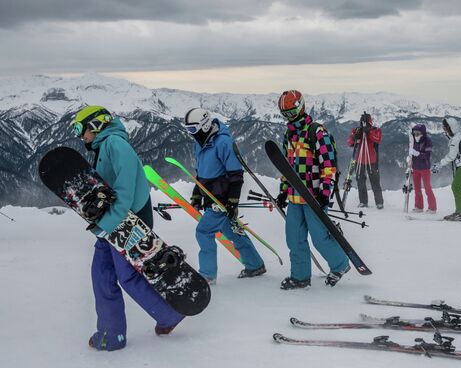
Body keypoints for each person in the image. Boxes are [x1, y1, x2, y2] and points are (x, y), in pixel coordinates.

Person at [71, 105, 184, 351]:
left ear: (96, 124)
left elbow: (125, 191)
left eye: (81, 129)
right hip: (113, 221)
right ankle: (111, 334)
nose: (81, 136)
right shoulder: (104, 146)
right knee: (101, 274)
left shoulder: (116, 145)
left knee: (127, 275)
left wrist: (108, 224)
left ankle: (169, 315)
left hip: (129, 220)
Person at [275, 90, 350, 289]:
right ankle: (300, 277)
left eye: (292, 112)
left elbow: (329, 167)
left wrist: (325, 194)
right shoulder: (288, 135)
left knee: (319, 237)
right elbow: (286, 167)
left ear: (301, 107)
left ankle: (340, 264)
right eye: (285, 114)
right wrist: (283, 191)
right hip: (294, 197)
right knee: (294, 238)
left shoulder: (317, 132)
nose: (289, 117)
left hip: (314, 196)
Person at [183, 108, 266, 283]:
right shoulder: (199, 144)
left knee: (204, 232)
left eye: (192, 129)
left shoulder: (223, 143)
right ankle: (255, 265)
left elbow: (236, 175)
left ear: (204, 126)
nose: (191, 134)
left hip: (221, 198)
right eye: (188, 129)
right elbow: (201, 174)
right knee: (232, 231)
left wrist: (232, 202)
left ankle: (207, 275)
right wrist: (197, 195)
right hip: (210, 196)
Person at [432, 118, 461, 221]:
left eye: (445, 127)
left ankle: (460, 213)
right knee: (459, 186)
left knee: (456, 187)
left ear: (451, 128)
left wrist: (439, 164)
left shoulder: (455, 139)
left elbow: (451, 156)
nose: (444, 129)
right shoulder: (458, 136)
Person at [346, 112, 384, 209]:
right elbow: (349, 142)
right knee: (360, 181)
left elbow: (377, 139)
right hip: (360, 160)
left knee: (375, 181)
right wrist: (355, 137)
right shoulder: (357, 130)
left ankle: (379, 202)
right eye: (363, 122)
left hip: (372, 160)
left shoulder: (376, 130)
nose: (364, 124)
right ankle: (363, 202)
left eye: (366, 122)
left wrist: (368, 132)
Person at [409, 124, 437, 213]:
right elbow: (411, 153)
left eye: (418, 133)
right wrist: (409, 159)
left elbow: (427, 155)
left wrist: (417, 154)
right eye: (414, 133)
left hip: (425, 168)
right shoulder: (413, 141)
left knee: (427, 188)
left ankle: (432, 208)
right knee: (417, 188)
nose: (416, 135)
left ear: (422, 133)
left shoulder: (427, 140)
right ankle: (419, 207)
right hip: (415, 167)